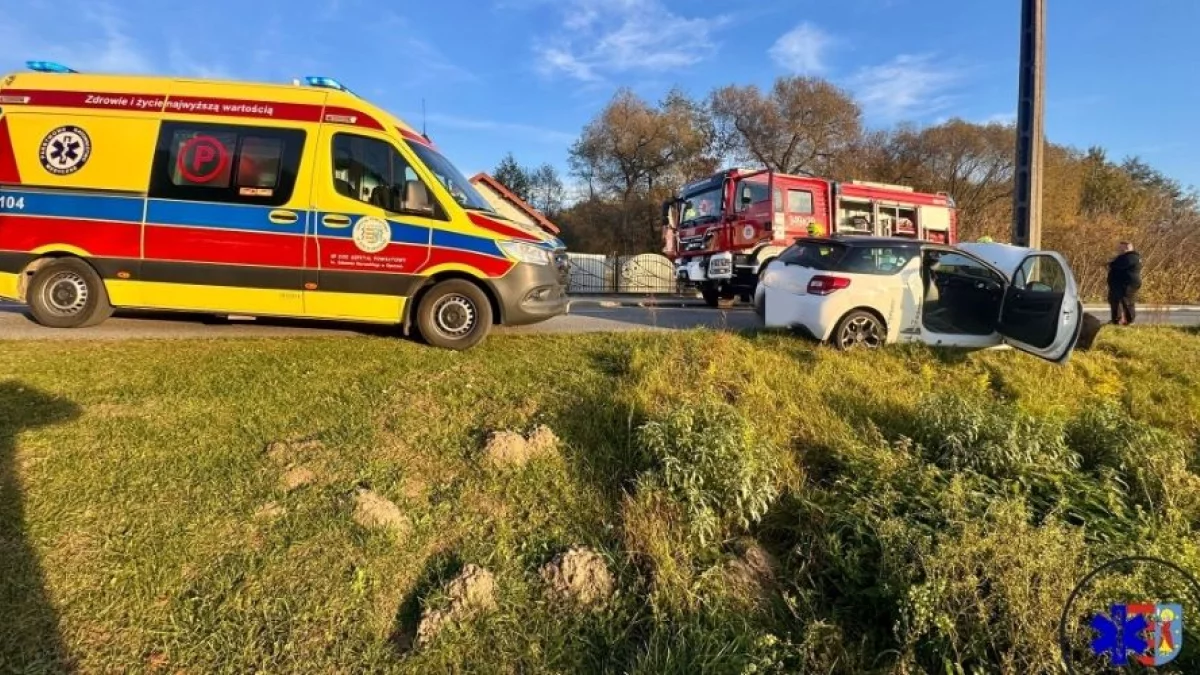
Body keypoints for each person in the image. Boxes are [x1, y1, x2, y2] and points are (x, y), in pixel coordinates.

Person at [1107, 241, 1142, 325]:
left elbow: (1119, 265)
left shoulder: (1132, 257)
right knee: (1114, 300)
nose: (1118, 249)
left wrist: (1111, 263)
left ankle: (1130, 320)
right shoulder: (1123, 257)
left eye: (1121, 247)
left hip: (1128, 283)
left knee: (1127, 301)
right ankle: (1116, 320)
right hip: (1118, 284)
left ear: (1127, 247)